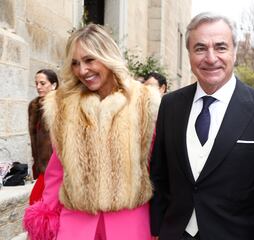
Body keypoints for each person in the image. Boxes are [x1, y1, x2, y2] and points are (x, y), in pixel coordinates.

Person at [150, 12, 254, 240]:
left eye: (220, 47)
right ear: (188, 54)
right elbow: (160, 176)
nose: (210, 57)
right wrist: (156, 229)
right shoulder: (170, 104)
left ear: (234, 52)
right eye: (200, 48)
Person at [23, 24, 160, 240]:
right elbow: (57, 170)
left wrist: (159, 224)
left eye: (89, 60)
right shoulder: (64, 105)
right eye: (75, 63)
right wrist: (47, 215)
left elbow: (156, 166)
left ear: (107, 56)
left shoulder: (144, 101)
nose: (82, 70)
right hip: (76, 223)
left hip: (130, 222)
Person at [28, 69, 59, 205]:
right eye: (36, 84)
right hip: (42, 166)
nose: (38, 87)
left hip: (56, 166)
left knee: (38, 201)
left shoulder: (59, 105)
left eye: (42, 83)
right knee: (37, 202)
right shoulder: (34, 106)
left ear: (54, 85)